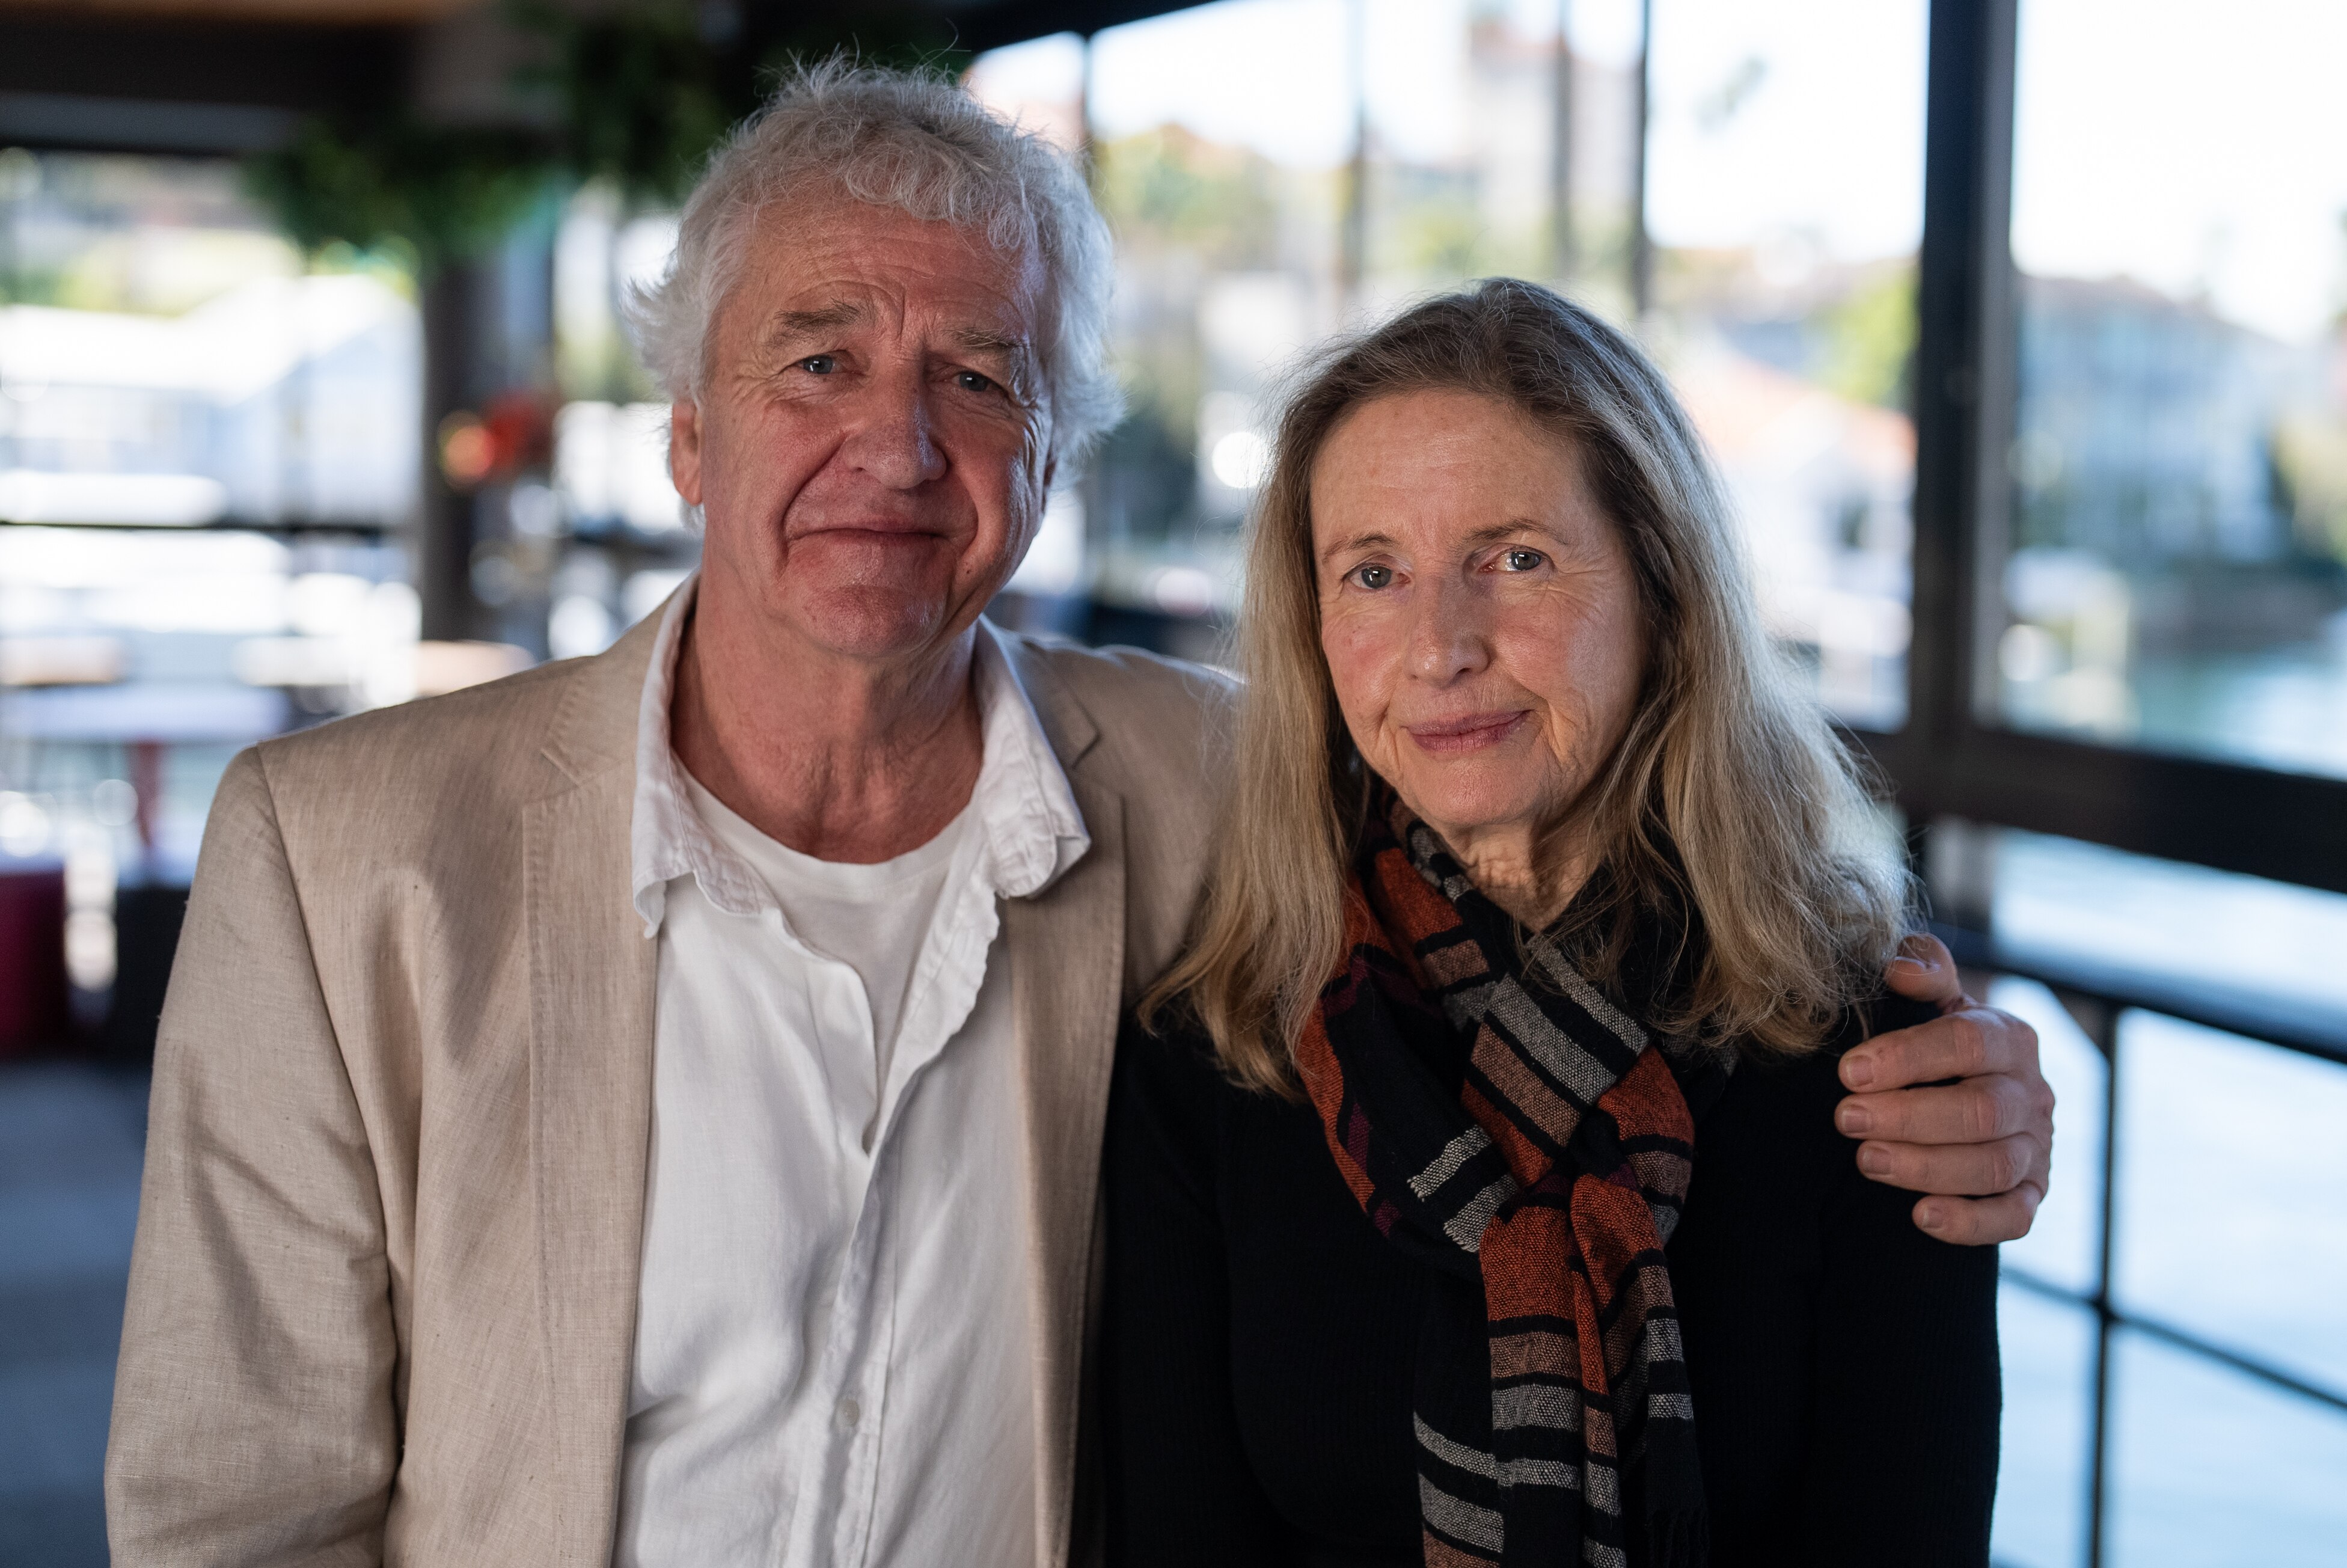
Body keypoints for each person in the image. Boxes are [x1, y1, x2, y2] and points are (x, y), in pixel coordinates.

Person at [107, 68, 2044, 1568]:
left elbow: (1635, 867)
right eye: (816, 363)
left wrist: (1978, 1079)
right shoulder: (343, 853)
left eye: (979, 374)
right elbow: (233, 1501)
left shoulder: (1235, 804)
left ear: (1046, 464)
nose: (897, 443)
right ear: (687, 432)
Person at [1104, 280, 2008, 1568]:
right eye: (1372, 573)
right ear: (1314, 630)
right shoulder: (1216, 1047)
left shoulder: (1872, 1065)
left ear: (1661, 587)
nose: (1438, 646)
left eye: (1513, 559)